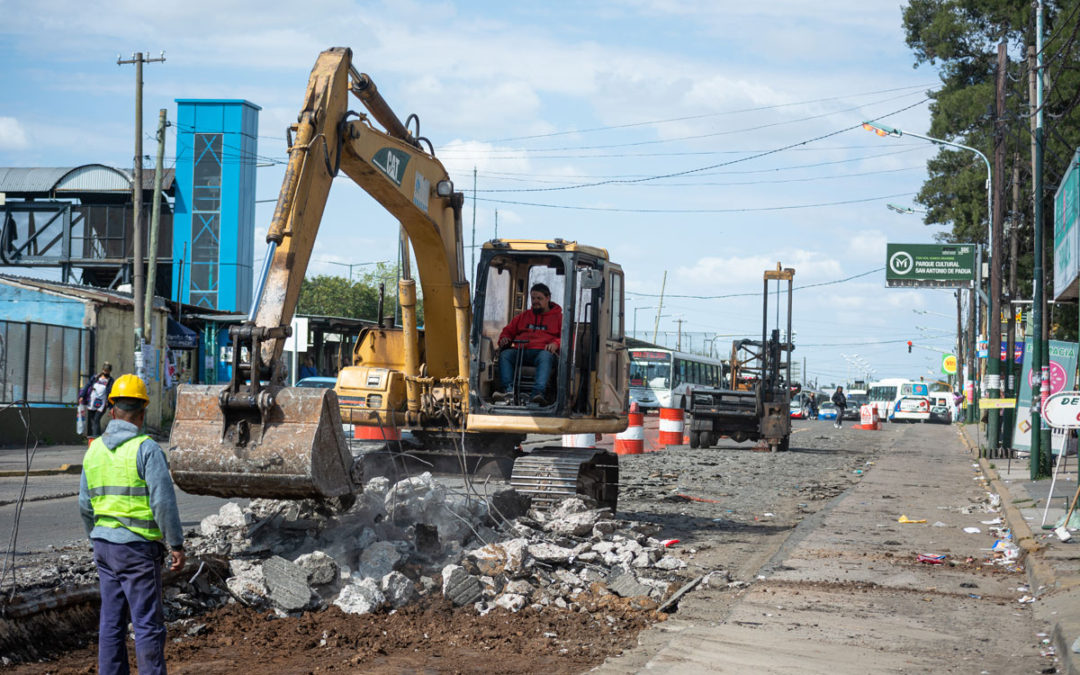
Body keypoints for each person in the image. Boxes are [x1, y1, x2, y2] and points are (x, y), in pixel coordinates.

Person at [79, 374, 185, 675]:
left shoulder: (94, 449)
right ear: (142, 414)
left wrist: (96, 539)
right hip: (138, 550)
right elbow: (163, 503)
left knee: (111, 622)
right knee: (147, 623)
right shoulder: (146, 448)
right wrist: (176, 544)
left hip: (104, 547)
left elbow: (84, 505)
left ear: (112, 411)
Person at [493, 283, 562, 406]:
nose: (535, 301)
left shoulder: (559, 318)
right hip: (522, 352)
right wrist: (505, 339)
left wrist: (556, 343)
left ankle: (537, 394)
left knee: (545, 357)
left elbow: (569, 337)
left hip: (544, 353)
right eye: (533, 298)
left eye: (539, 298)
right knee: (506, 355)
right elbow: (508, 331)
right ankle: (508, 391)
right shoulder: (523, 316)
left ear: (548, 298)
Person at [78, 362, 114, 437]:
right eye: (104, 370)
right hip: (92, 401)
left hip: (102, 404)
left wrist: (111, 407)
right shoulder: (96, 377)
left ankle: (96, 438)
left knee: (96, 420)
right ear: (102, 370)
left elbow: (110, 393)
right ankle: (95, 437)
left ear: (110, 371)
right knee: (93, 421)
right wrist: (82, 396)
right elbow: (88, 386)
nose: (105, 372)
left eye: (107, 371)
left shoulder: (110, 381)